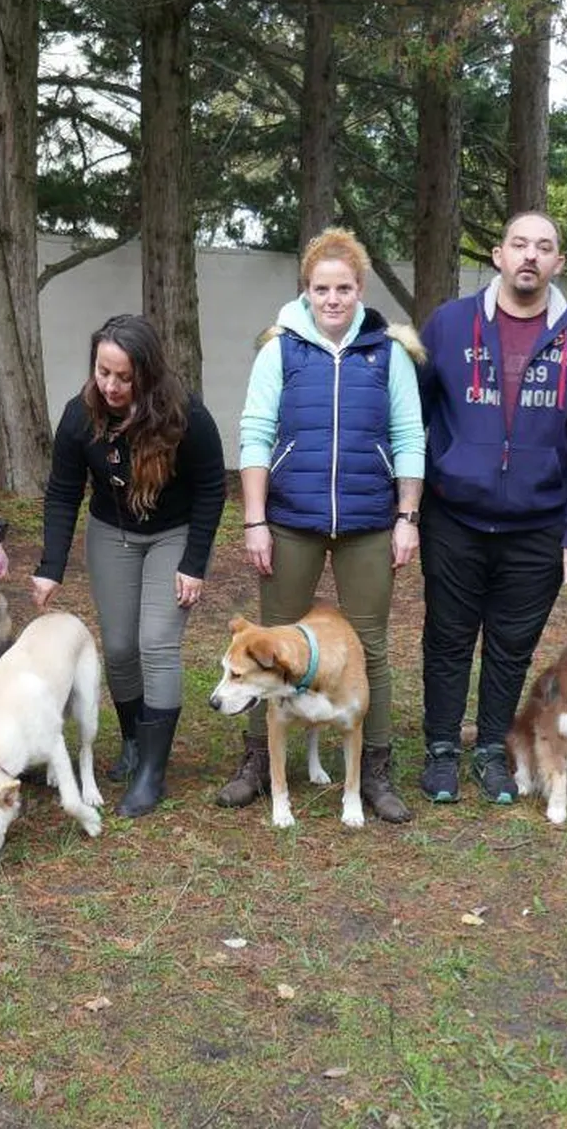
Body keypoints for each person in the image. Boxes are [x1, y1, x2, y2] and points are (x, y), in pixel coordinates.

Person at [215, 227, 426, 824]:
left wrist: (407, 516)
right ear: (305, 291)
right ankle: (258, 760)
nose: (332, 299)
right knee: (265, 645)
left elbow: (411, 437)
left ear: (360, 289)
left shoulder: (389, 352)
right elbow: (255, 433)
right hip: (290, 521)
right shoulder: (280, 350)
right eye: (320, 288)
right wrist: (255, 520)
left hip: (368, 522)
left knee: (372, 645)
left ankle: (376, 769)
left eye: (343, 287)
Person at [416, 211, 567, 805]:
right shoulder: (450, 326)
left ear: (558, 262)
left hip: (538, 526)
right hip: (454, 516)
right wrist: (414, 496)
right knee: (448, 637)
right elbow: (414, 415)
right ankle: (442, 750)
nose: (530, 256)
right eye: (519, 244)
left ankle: (490, 751)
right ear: (499, 256)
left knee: (510, 645)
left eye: (545, 247)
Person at [33, 314, 225, 818]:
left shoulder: (186, 416)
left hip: (173, 533)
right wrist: (51, 564)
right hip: (112, 532)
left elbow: (210, 488)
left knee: (156, 643)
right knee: (118, 648)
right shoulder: (81, 415)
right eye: (103, 372)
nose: (112, 386)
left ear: (146, 372)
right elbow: (62, 492)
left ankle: (151, 774)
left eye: (124, 377)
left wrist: (194, 563)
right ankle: (134, 742)